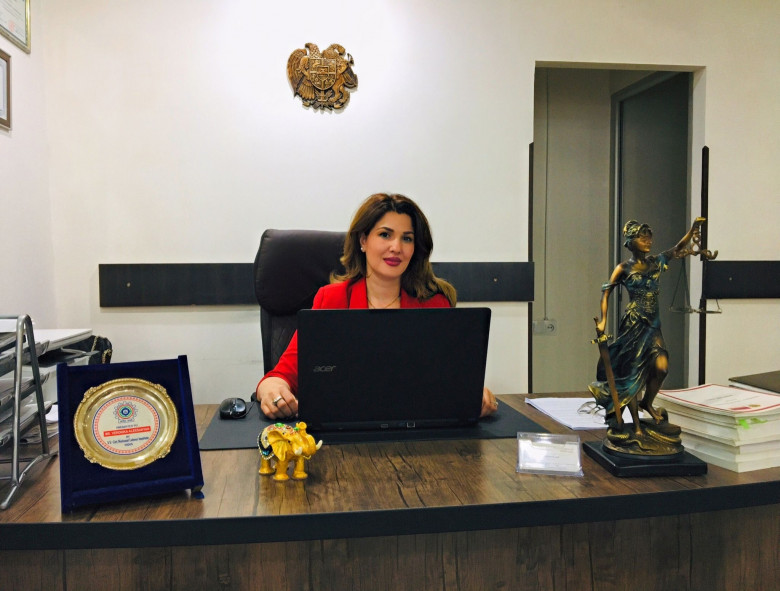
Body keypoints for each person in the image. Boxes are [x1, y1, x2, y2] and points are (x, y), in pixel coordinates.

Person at [256, 193, 499, 420]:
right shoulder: (331, 300)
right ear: (363, 240)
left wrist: (475, 394)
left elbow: (455, 381)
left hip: (417, 431)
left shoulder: (435, 304)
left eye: (407, 238)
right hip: (347, 431)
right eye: (385, 234)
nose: (397, 247)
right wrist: (272, 389)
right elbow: (281, 375)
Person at [589, 217, 706, 438]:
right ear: (631, 242)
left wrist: (693, 230)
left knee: (661, 367)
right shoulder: (623, 268)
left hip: (653, 325)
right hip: (634, 324)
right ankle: (635, 424)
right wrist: (603, 320)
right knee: (632, 374)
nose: (648, 241)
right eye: (643, 238)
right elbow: (606, 291)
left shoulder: (656, 262)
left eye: (649, 238)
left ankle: (647, 403)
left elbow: (677, 248)